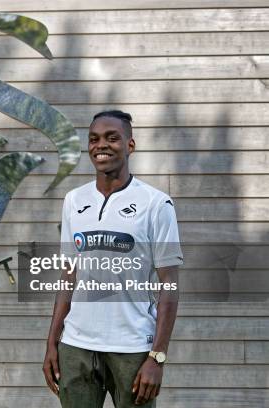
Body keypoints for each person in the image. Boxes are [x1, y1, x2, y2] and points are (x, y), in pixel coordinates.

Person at [42, 110, 183, 407]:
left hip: (132, 350)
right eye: (94, 139)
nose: (100, 145)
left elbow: (169, 284)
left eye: (112, 138)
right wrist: (52, 343)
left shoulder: (156, 204)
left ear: (130, 145)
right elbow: (68, 276)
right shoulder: (74, 200)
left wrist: (157, 357)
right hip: (76, 347)